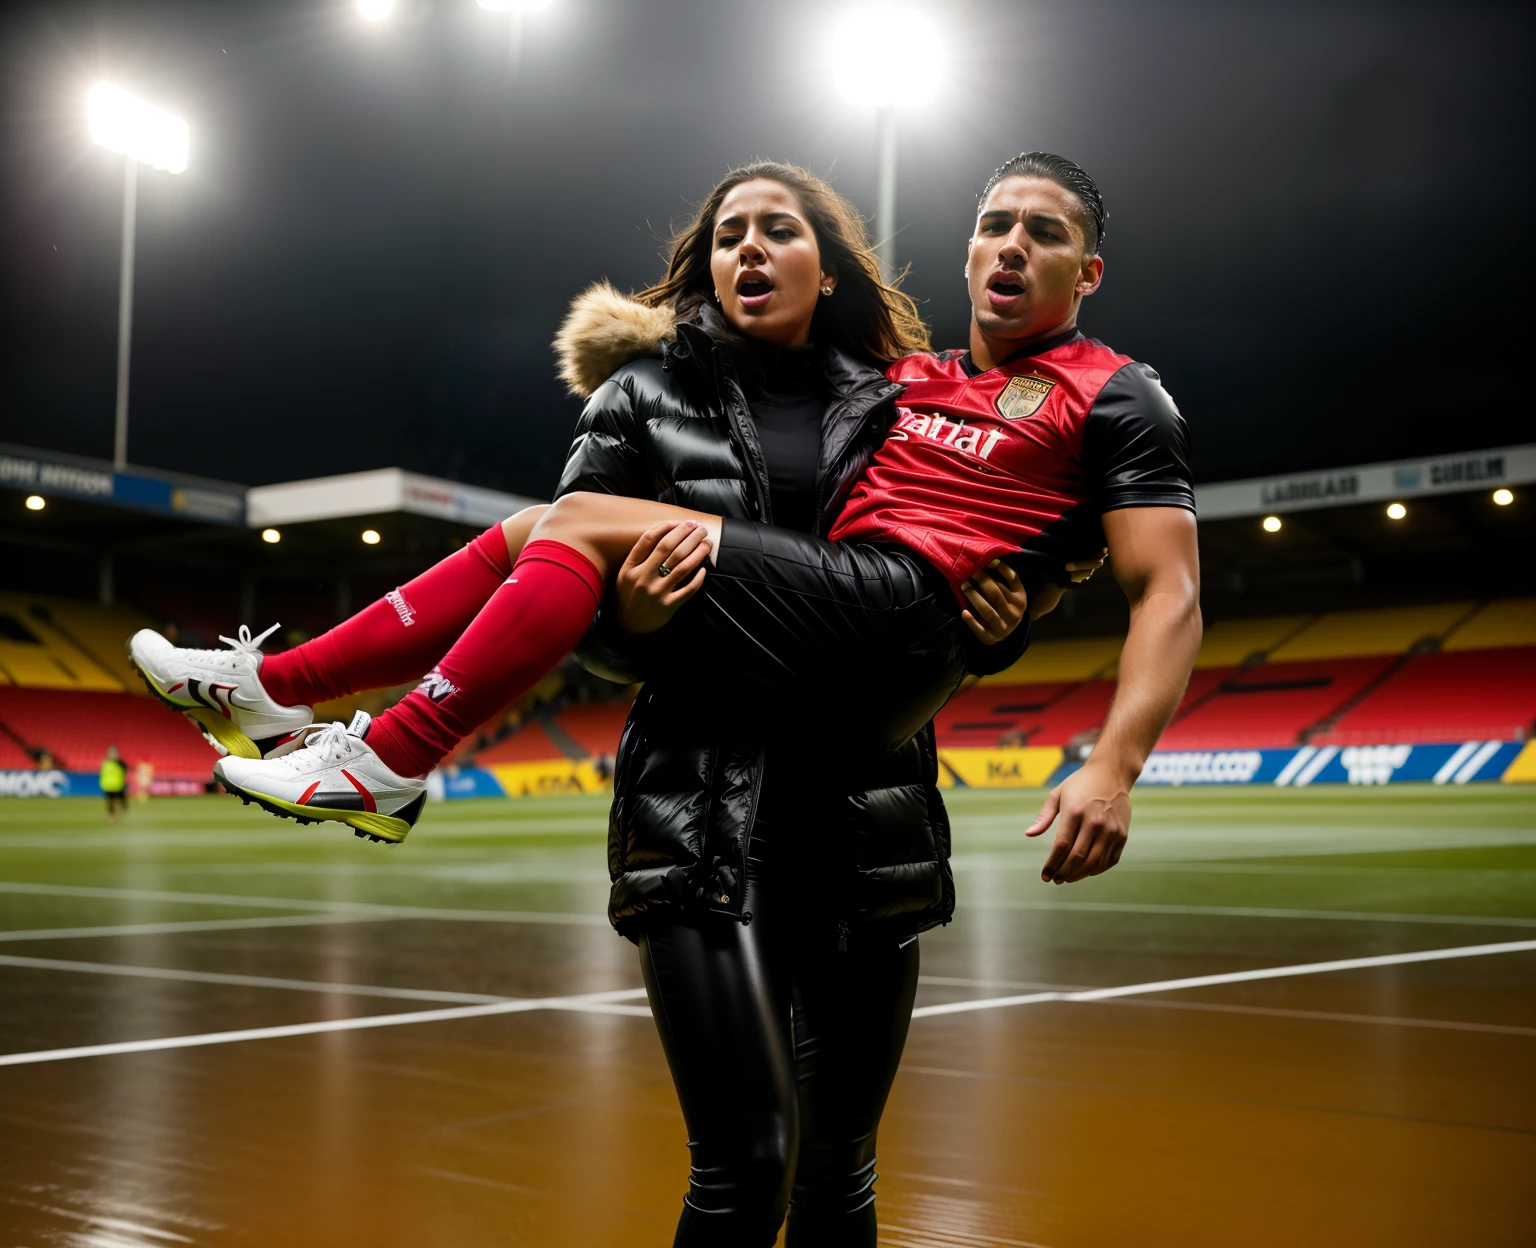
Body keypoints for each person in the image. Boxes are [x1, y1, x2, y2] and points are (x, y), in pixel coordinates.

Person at [128, 152, 1198, 1243]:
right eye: (996, 224)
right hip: (719, 779)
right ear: (968, 246)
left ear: (1089, 269)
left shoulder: (1098, 390)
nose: (1012, 245)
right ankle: (278, 687)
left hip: (877, 693)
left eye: (1044, 232)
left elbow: (1164, 586)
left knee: (571, 521)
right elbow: (608, 613)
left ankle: (379, 748)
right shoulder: (908, 385)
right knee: (546, 529)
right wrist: (635, 619)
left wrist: (1103, 751)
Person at [99, 745, 127, 823]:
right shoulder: (105, 762)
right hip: (108, 786)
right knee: (110, 802)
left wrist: (118, 760)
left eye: (114, 752)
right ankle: (112, 816)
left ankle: (122, 809)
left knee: (121, 799)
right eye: (111, 752)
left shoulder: (120, 763)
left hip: (118, 785)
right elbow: (102, 774)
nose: (112, 754)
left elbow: (126, 768)